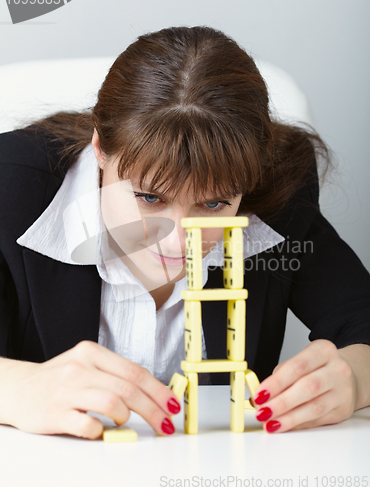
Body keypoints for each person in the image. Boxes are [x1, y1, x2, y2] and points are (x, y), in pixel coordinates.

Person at [0, 26, 369, 440]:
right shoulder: (10, 189)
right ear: (101, 149)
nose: (178, 242)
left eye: (213, 204)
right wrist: (14, 387)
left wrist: (356, 375)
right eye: (150, 198)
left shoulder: (279, 196)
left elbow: (361, 321)